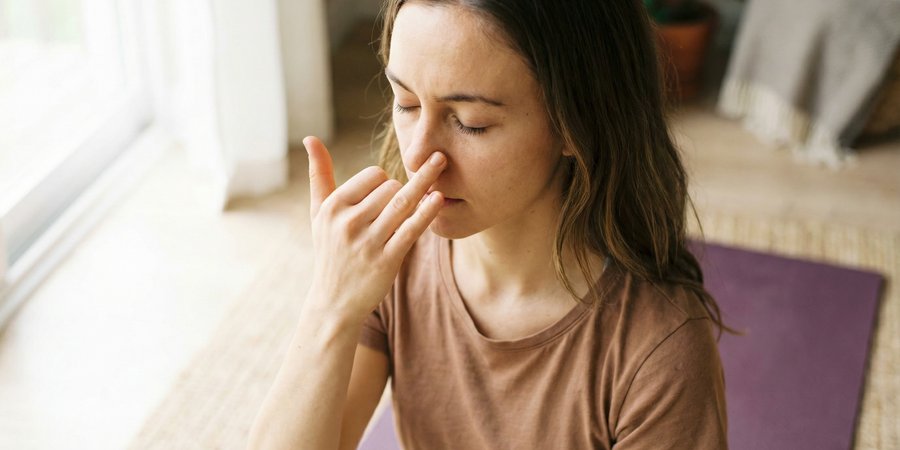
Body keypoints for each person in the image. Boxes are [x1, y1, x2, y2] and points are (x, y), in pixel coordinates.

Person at [248, 0, 732, 449]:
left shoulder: (659, 353)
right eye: (406, 103)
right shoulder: (392, 260)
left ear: (578, 123)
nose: (417, 156)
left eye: (470, 122)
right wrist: (331, 303)